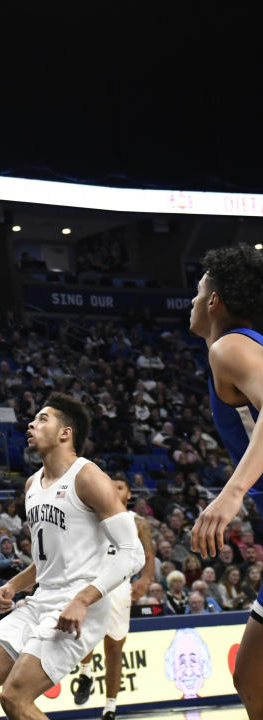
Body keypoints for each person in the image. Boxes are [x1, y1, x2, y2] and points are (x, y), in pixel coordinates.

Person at [0, 394, 145, 720]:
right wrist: (12, 587)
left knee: (14, 699)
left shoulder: (87, 475)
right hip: (43, 600)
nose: (31, 423)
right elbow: (45, 561)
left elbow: (133, 553)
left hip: (80, 604)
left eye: (43, 419)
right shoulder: (31, 485)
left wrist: (82, 599)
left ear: (65, 433)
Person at [187, 244, 263, 718]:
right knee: (252, 677)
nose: (192, 302)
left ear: (214, 301)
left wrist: (231, 493)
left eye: (197, 292)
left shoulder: (230, 346)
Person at [72, 476, 155, 718]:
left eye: (120, 487)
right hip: (93, 581)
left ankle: (110, 708)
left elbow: (149, 557)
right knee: (84, 635)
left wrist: (145, 580)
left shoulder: (138, 521)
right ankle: (86, 674)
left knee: (115, 647)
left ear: (129, 494)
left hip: (120, 587)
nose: (114, 490)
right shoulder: (92, 516)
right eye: (110, 486)